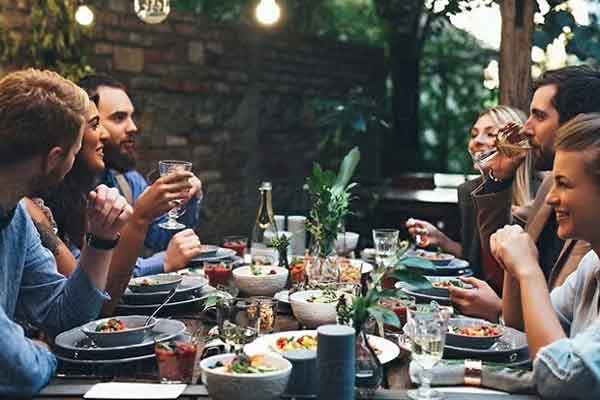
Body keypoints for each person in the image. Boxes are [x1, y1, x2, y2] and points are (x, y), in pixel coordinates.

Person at [0, 68, 132, 396]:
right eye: (74, 152)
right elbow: (20, 369)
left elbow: (63, 317)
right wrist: (43, 352)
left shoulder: (15, 216)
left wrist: (101, 241)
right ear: (54, 158)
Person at [24, 94, 203, 314]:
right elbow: (91, 300)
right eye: (96, 124)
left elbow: (162, 237)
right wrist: (139, 220)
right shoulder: (29, 208)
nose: (105, 135)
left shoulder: (105, 186)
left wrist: (187, 200)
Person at [458, 66, 600, 321]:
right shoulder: (549, 187)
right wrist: (499, 180)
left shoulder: (589, 217)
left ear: (576, 124)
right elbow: (501, 259)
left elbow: (562, 332)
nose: (525, 129)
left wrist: (500, 311)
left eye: (539, 116)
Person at [490, 114, 600, 399]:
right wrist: (513, 266)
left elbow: (559, 378)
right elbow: (523, 329)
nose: (551, 198)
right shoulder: (593, 264)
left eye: (563, 183)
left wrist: (528, 270)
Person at [406, 105, 534, 321]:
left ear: (516, 143)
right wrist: (442, 240)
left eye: (491, 134)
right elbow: (475, 260)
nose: (477, 141)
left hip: (520, 313)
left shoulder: (544, 195)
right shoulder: (469, 191)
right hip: (475, 307)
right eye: (474, 134)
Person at [77, 74, 203, 255]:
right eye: (119, 117)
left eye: (131, 116)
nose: (133, 127)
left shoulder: (129, 181)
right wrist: (163, 261)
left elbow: (162, 241)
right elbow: (86, 268)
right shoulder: (67, 191)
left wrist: (188, 199)